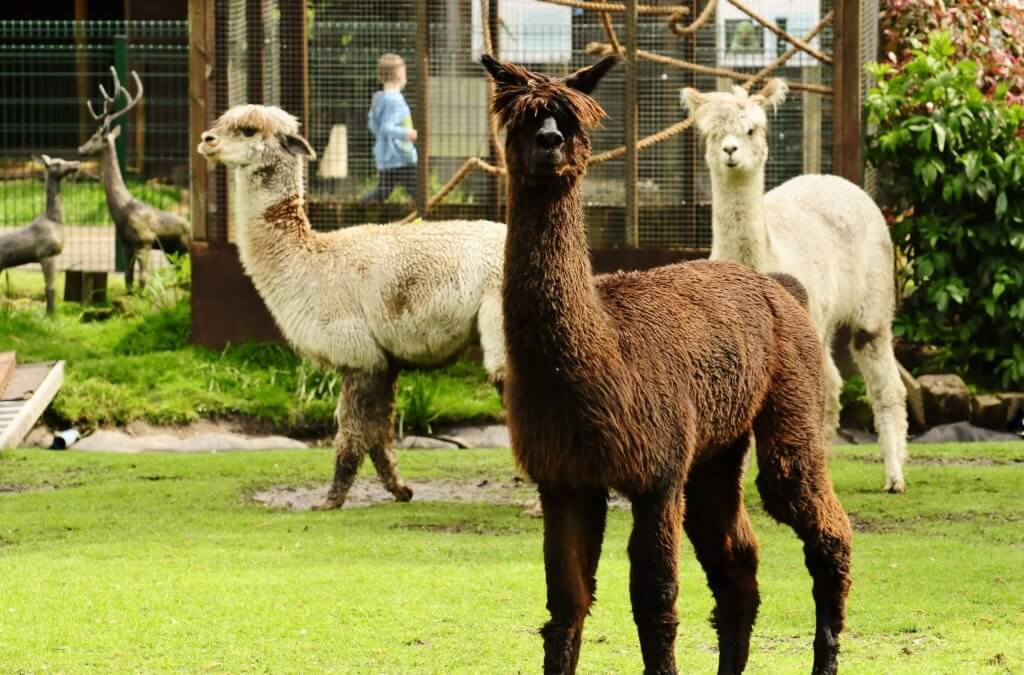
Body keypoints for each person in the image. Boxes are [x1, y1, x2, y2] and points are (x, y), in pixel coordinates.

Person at [363, 53, 418, 203]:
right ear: (400, 75)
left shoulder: (379, 98)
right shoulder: (395, 99)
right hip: (400, 156)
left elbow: (373, 125)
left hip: (385, 157)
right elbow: (387, 127)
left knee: (383, 191)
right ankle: (429, 218)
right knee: (418, 192)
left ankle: (360, 207)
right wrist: (407, 133)